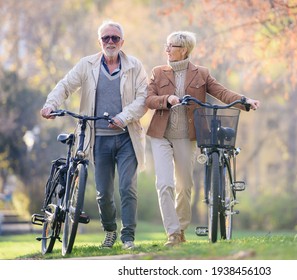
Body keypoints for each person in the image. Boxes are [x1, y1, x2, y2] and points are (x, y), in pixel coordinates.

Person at [40, 20, 148, 250]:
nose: (110, 42)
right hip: (97, 139)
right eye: (106, 38)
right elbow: (65, 85)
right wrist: (51, 104)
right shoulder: (86, 65)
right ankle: (110, 231)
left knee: (127, 187)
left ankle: (128, 237)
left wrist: (123, 117)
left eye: (115, 38)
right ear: (99, 41)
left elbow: (143, 99)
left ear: (122, 42)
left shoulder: (135, 66)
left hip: (127, 136)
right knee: (103, 193)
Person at [146, 31, 260, 247]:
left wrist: (244, 100)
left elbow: (222, 92)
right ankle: (172, 233)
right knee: (164, 184)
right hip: (160, 135)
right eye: (166, 45)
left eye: (171, 46)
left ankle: (181, 229)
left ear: (184, 49)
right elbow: (149, 99)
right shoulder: (158, 72)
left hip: (186, 136)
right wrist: (166, 99)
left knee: (184, 185)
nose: (166, 49)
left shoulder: (201, 74)